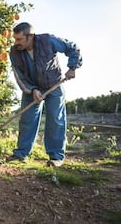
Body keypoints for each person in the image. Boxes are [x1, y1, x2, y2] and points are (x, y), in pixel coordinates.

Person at [7, 22, 82, 167]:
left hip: (53, 84)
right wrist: (32, 90)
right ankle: (21, 154)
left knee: (55, 119)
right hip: (31, 87)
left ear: (31, 37)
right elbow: (19, 76)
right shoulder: (14, 52)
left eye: (19, 39)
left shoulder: (48, 41)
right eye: (15, 39)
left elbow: (72, 48)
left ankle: (56, 157)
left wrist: (72, 67)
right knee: (27, 120)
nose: (16, 43)